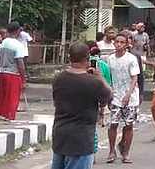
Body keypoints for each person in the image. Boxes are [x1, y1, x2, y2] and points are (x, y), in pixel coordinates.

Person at [52, 41, 112, 169]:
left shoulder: (58, 79)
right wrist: (100, 77)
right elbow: (108, 97)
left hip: (60, 135)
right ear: (88, 58)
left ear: (69, 57)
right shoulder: (93, 82)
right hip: (81, 138)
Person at [105, 32, 141, 163]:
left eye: (122, 42)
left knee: (128, 125)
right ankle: (111, 151)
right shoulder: (110, 59)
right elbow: (107, 77)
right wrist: (109, 93)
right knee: (113, 124)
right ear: (114, 43)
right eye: (117, 42)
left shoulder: (131, 59)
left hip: (130, 97)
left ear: (126, 44)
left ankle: (126, 152)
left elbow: (134, 78)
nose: (119, 44)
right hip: (115, 96)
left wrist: (128, 95)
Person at [0, 22, 28, 121]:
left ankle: (1, 115)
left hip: (1, 72)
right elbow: (20, 63)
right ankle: (9, 117)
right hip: (13, 75)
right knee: (12, 99)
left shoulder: (1, 44)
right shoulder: (18, 45)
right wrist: (23, 79)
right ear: (17, 31)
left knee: (1, 97)